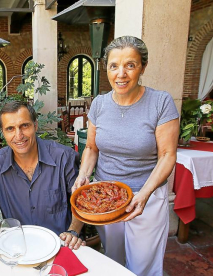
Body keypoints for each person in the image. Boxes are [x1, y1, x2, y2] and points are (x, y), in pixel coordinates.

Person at [73, 36, 179, 276]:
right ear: (106, 68)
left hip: (146, 198)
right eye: (114, 66)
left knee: (143, 267)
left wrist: (143, 195)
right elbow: (91, 148)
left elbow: (167, 155)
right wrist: (83, 175)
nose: (121, 74)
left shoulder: (160, 102)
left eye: (130, 65)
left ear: (143, 67)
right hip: (106, 200)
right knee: (113, 260)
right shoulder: (99, 104)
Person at [0, 101, 85, 250]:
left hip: (62, 247)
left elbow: (81, 200)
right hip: (17, 249)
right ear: (3, 133)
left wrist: (73, 231)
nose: (19, 135)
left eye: (25, 126)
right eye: (10, 129)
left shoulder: (63, 157)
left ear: (35, 126)